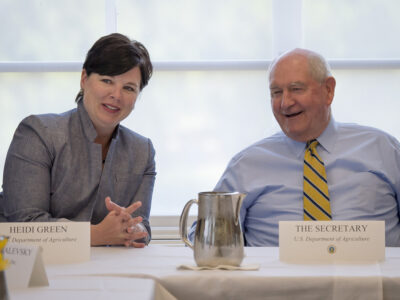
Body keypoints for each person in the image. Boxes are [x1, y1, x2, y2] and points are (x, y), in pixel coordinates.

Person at [213, 48, 400, 246]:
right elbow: (206, 238)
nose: (285, 103)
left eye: (296, 89)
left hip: (376, 276)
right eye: (276, 93)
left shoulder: (383, 149)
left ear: (328, 90)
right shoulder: (246, 165)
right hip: (275, 277)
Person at [1, 33, 156, 247]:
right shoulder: (37, 133)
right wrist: (97, 235)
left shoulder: (143, 151)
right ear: (84, 79)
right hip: (29, 271)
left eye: (129, 88)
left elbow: (143, 227)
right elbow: (24, 224)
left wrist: (132, 229)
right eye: (107, 81)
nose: (116, 95)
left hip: (105, 272)